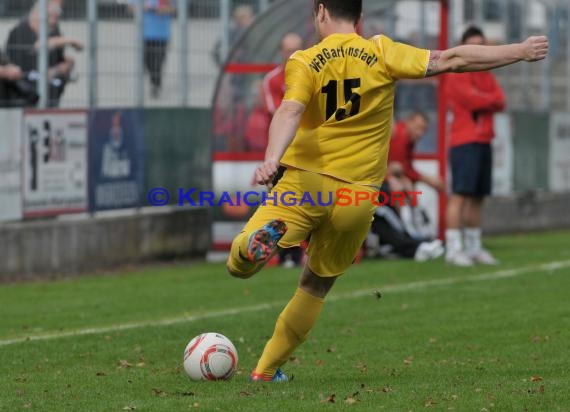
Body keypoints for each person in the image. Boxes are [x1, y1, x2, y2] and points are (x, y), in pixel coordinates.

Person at [226, 0, 548, 382]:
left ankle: (251, 248)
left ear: (321, 12)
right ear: (359, 18)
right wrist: (520, 50)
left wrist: (270, 158)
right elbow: (452, 59)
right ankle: (265, 370)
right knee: (316, 283)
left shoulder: (304, 60)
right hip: (357, 196)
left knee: (239, 267)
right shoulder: (381, 51)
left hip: (304, 183)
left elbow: (290, 111)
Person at [444, 27, 507, 267]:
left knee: (477, 197)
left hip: (483, 140)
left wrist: (485, 98)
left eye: (481, 45)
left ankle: (473, 247)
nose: (478, 50)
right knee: (460, 195)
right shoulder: (456, 72)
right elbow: (472, 99)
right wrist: (486, 99)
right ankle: (453, 248)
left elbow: (500, 100)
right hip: (464, 141)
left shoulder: (487, 73)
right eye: (473, 45)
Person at [5, 0, 83, 107]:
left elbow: (66, 61)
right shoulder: (20, 31)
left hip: (51, 97)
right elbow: (39, 46)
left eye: (56, 18)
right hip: (25, 97)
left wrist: (55, 70)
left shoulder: (53, 31)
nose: (53, 22)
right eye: (50, 17)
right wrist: (68, 40)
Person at [129, 0, 176, 99]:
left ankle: (156, 85)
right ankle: (154, 81)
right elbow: (130, 8)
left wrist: (154, 10)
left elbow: (172, 8)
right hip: (143, 34)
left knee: (158, 61)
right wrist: (142, 8)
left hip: (161, 35)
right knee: (146, 61)